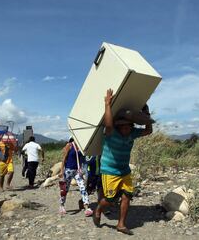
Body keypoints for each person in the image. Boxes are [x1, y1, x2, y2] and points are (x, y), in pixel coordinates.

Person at [93, 89, 153, 235]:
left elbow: (148, 131)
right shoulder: (110, 133)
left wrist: (147, 115)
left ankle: (121, 224)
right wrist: (107, 104)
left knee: (127, 196)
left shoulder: (132, 133)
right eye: (123, 126)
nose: (126, 128)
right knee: (110, 200)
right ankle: (99, 209)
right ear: (118, 126)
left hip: (124, 171)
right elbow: (108, 124)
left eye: (128, 126)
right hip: (110, 171)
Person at [58, 138, 93, 217]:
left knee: (82, 187)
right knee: (65, 189)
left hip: (77, 171)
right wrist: (61, 171)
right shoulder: (69, 145)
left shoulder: (81, 147)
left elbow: (81, 159)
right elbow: (64, 159)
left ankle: (86, 207)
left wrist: (81, 169)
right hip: (69, 170)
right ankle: (61, 205)